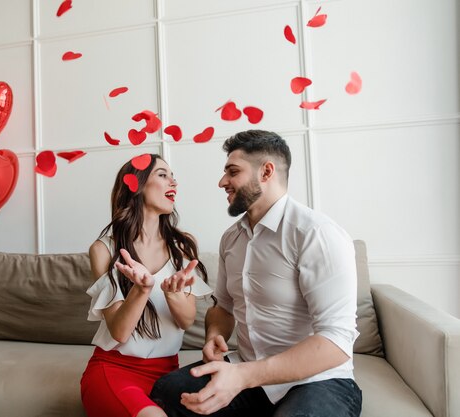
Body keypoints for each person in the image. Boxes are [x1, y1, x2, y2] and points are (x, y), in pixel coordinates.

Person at [150, 130, 362, 417]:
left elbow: (336, 343)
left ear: (267, 172)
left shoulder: (317, 234)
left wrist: (243, 376)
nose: (222, 182)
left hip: (317, 381)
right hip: (246, 371)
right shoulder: (231, 239)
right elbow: (223, 308)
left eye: (233, 172)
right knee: (167, 391)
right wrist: (214, 334)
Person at [80, 153, 213, 417]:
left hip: (169, 374)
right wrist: (142, 290)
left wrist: (174, 295)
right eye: (162, 175)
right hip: (115, 369)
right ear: (137, 185)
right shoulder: (103, 249)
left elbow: (186, 321)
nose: (173, 182)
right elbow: (119, 331)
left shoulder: (182, 246)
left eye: (173, 177)